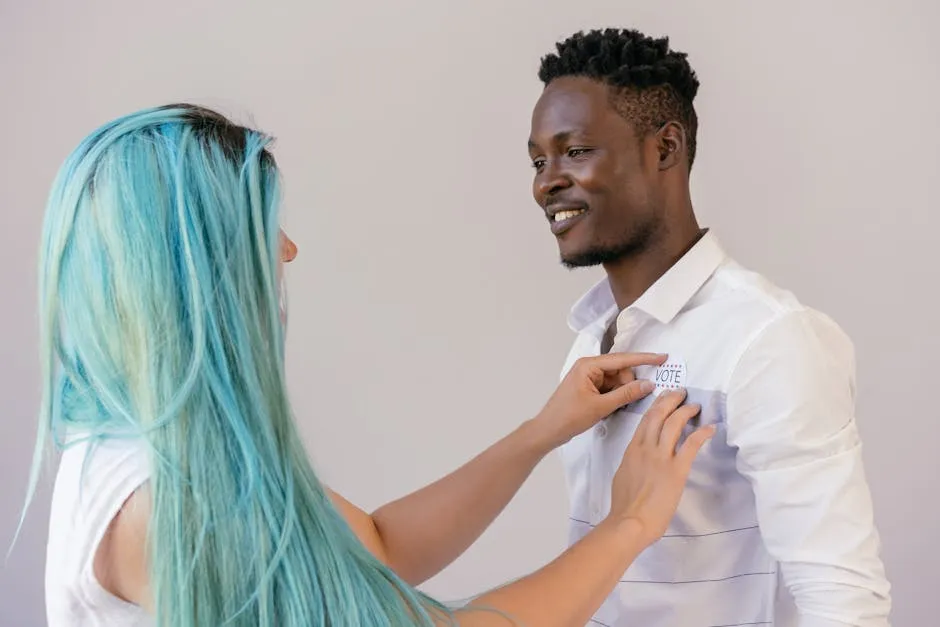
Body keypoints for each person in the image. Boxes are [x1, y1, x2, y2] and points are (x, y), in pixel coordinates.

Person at [25, 103, 716, 627]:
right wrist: (630, 523)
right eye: (262, 227)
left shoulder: (128, 445)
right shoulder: (176, 499)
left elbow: (376, 546)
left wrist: (541, 432)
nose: (288, 250)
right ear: (194, 270)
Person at [527, 27, 892, 627]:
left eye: (575, 151)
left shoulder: (767, 340)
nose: (547, 181)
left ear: (665, 148)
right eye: (540, 160)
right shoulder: (587, 345)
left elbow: (842, 598)